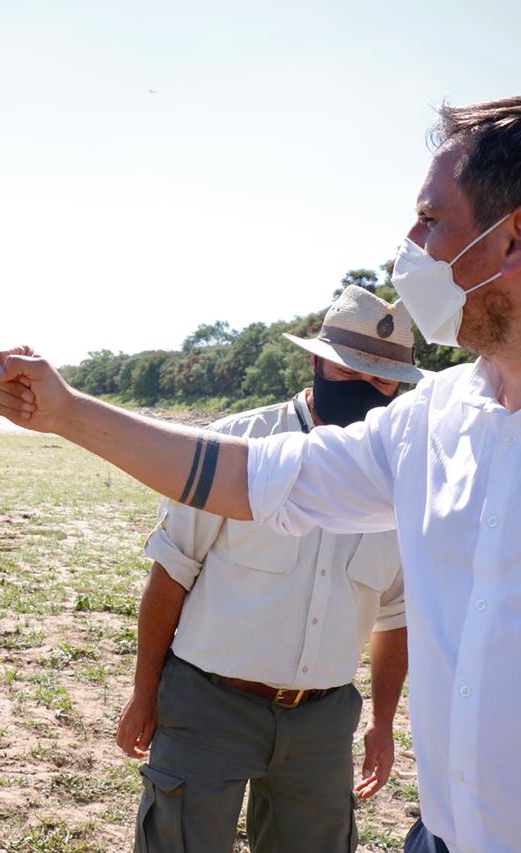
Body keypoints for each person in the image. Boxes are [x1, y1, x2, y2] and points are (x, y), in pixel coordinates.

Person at [0, 96, 521, 853]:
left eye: (429, 218)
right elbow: (254, 475)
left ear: (516, 236)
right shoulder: (435, 418)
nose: (410, 244)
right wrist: (67, 411)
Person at [119, 286, 415, 852]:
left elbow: (394, 615)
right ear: (318, 361)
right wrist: (144, 692)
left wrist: (381, 723)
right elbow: (171, 574)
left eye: (382, 378)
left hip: (322, 725)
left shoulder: (399, 478)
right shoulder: (237, 446)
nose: (368, 388)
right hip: (209, 707)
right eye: (351, 369)